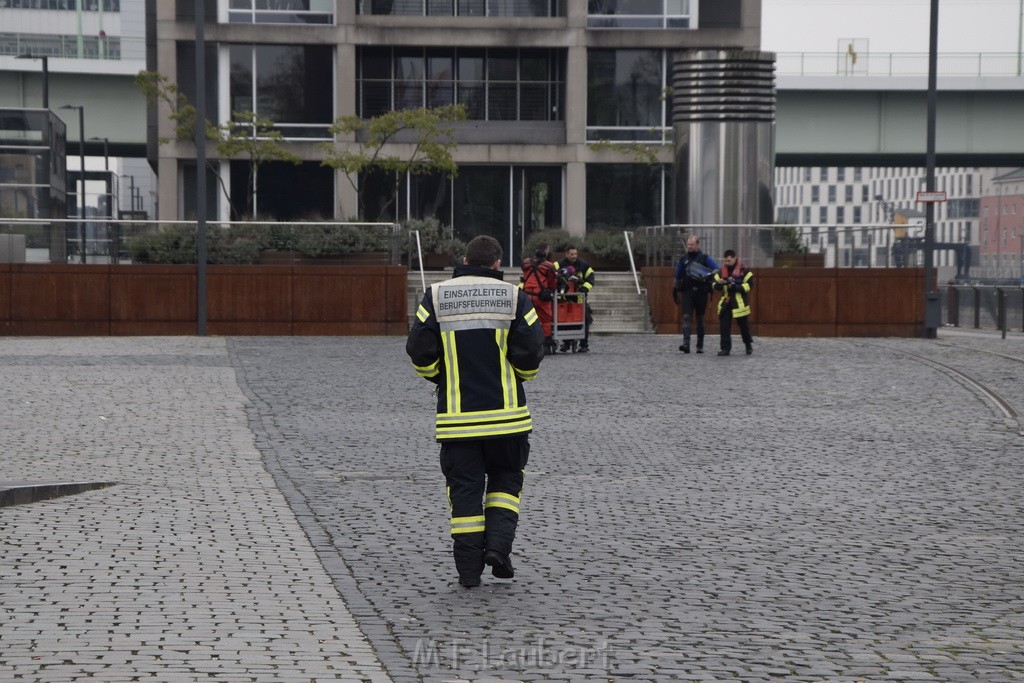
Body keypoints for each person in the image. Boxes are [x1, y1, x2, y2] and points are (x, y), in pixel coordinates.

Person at [406, 235, 545, 588]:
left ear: (466, 258)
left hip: (458, 421)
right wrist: (518, 378)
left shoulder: (435, 296)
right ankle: (497, 548)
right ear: (497, 264)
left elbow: (419, 351)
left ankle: (468, 572)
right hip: (508, 419)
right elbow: (530, 354)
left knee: (465, 492)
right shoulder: (515, 297)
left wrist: (442, 376)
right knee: (506, 483)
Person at [671, 236, 719, 354]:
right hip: (687, 292)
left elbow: (717, 269)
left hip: (701, 292)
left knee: (700, 319)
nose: (689, 247)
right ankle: (686, 344)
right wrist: (675, 290)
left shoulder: (705, 258)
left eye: (691, 244)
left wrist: (707, 275)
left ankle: (700, 346)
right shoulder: (682, 260)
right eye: (688, 244)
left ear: (697, 245)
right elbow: (677, 277)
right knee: (686, 317)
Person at [552, 245, 595, 353]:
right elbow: (550, 275)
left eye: (576, 254)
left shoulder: (583, 265)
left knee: (585, 318)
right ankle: (566, 343)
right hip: (563, 297)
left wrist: (584, 289)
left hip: (579, 296)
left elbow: (591, 279)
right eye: (572, 254)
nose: (574, 256)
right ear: (566, 254)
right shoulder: (558, 264)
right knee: (564, 319)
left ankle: (584, 345)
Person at [712, 249, 754, 356]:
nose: (728, 263)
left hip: (739, 303)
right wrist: (719, 284)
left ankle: (748, 345)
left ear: (735, 258)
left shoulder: (744, 270)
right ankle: (725, 349)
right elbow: (713, 285)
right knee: (724, 326)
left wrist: (736, 287)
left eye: (730, 261)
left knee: (744, 326)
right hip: (726, 302)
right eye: (726, 261)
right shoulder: (721, 271)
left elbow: (749, 286)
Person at [520, 244, 558, 354]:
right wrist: (551, 291)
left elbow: (525, 274)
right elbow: (552, 283)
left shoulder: (526, 263)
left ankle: (527, 341)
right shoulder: (548, 266)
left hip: (527, 295)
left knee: (527, 320)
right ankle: (546, 344)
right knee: (545, 321)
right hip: (540, 297)